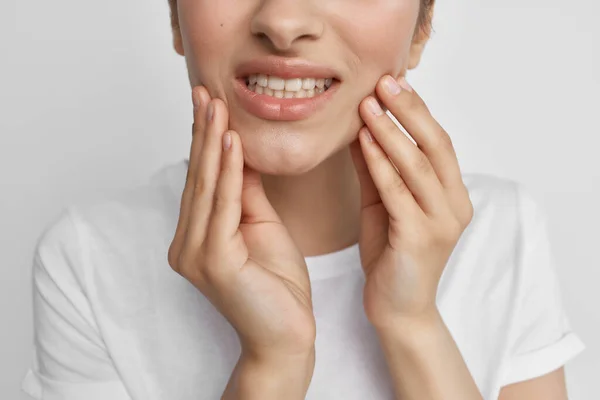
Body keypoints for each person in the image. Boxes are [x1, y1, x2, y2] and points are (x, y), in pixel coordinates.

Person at [21, 0, 586, 399]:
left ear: (422, 25)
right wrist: (273, 364)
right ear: (175, 14)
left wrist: (413, 324)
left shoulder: (504, 233)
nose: (284, 22)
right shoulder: (87, 259)